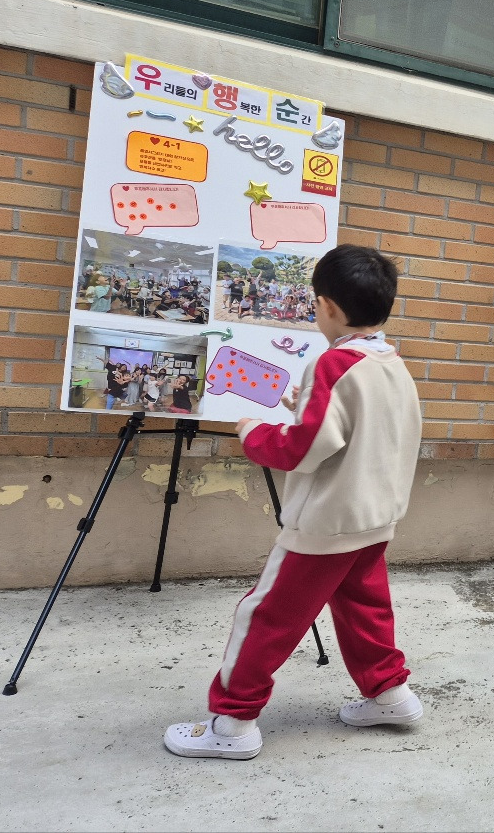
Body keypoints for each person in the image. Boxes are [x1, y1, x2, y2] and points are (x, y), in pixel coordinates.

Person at [164, 245, 424, 760]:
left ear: (326, 306)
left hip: (323, 526)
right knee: (365, 610)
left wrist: (252, 430)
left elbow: (299, 448)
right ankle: (390, 693)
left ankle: (232, 722)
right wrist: (302, 404)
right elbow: (357, 425)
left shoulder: (334, 365)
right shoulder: (390, 364)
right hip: (374, 519)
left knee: (264, 617)